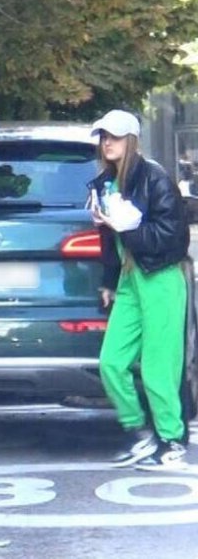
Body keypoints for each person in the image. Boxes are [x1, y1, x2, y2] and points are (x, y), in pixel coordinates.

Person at [88, 109, 191, 470]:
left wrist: (124, 227)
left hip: (161, 276)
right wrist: (109, 279)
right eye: (103, 137)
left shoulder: (155, 178)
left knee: (159, 367)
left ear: (131, 139)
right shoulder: (105, 183)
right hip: (130, 280)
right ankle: (141, 433)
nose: (107, 143)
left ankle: (172, 441)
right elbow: (110, 240)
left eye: (114, 137)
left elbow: (174, 239)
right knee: (111, 363)